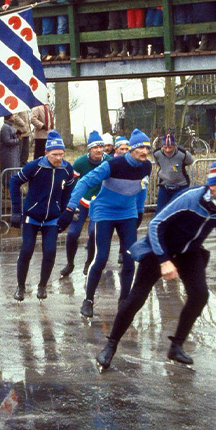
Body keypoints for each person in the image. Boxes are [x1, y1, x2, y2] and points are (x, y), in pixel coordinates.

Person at [95, 162, 216, 370]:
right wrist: (164, 260)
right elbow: (156, 224)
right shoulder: (190, 198)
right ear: (213, 186)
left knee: (200, 295)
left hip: (189, 252)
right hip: (159, 248)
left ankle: (176, 346)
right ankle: (111, 345)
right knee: (137, 298)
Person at [59, 129, 153, 318]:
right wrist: (70, 208)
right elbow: (84, 182)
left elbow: (142, 188)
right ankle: (88, 300)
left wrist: (140, 210)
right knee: (101, 258)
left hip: (127, 212)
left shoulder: (146, 166)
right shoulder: (112, 164)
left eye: (147, 148)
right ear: (131, 150)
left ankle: (124, 300)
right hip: (105, 211)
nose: (145, 151)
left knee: (129, 259)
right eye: (141, 147)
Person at [10, 132, 75, 300]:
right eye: (54, 154)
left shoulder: (67, 169)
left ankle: (42, 286)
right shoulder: (35, 166)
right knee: (26, 250)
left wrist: (65, 213)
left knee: (50, 252)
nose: (58, 158)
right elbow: (14, 181)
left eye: (61, 154)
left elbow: (68, 191)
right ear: (46, 153)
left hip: (52, 217)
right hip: (32, 215)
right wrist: (16, 210)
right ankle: (21, 287)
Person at [61, 131, 106, 278]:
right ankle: (70, 263)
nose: (98, 150)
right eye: (95, 147)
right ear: (89, 149)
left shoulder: (109, 161)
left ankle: (89, 261)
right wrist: (70, 204)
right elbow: (73, 185)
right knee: (73, 233)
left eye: (101, 146)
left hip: (99, 202)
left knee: (94, 232)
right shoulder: (80, 162)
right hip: (82, 201)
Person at [153, 132, 195, 212]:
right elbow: (158, 163)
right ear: (162, 146)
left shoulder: (183, 154)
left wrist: (177, 166)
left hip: (180, 185)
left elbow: (190, 161)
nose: (167, 150)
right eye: (165, 147)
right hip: (164, 185)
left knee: (179, 210)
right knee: (160, 210)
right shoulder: (157, 153)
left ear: (175, 145)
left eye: (170, 147)